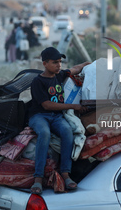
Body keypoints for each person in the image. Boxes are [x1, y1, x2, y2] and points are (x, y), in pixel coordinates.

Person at [28, 47, 90, 194]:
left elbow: (75, 69)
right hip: (39, 116)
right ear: (44, 63)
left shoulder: (59, 75)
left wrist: (88, 64)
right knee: (44, 133)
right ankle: (38, 178)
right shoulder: (38, 82)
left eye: (60, 62)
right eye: (55, 62)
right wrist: (73, 106)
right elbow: (47, 105)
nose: (59, 65)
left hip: (56, 116)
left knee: (67, 131)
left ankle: (65, 174)